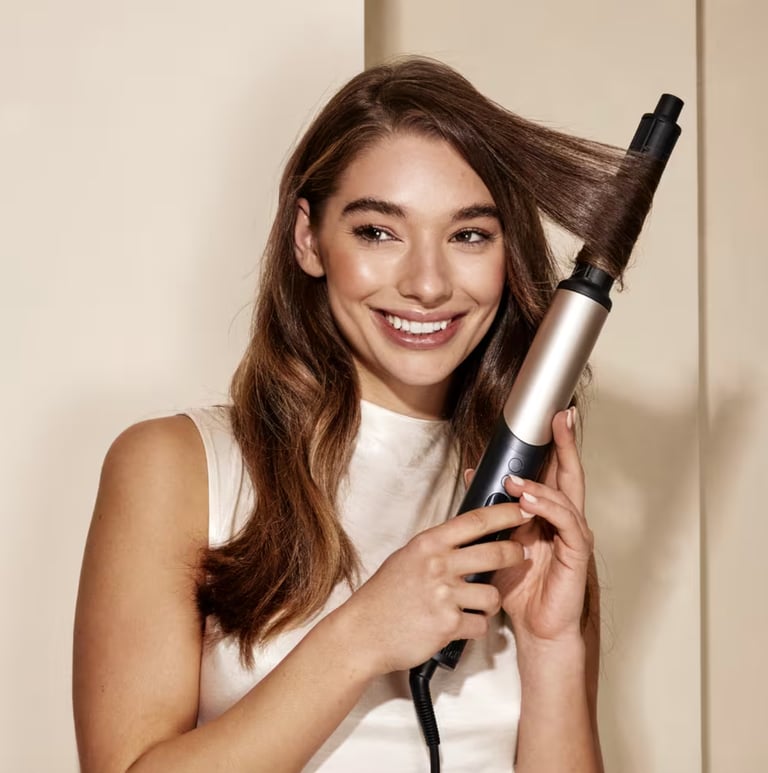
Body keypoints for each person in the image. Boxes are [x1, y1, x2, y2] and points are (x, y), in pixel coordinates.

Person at [73, 57, 633, 772]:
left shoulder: (523, 498)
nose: (428, 284)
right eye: (378, 231)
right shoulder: (175, 467)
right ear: (308, 238)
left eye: (468, 235)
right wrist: (361, 635)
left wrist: (553, 648)